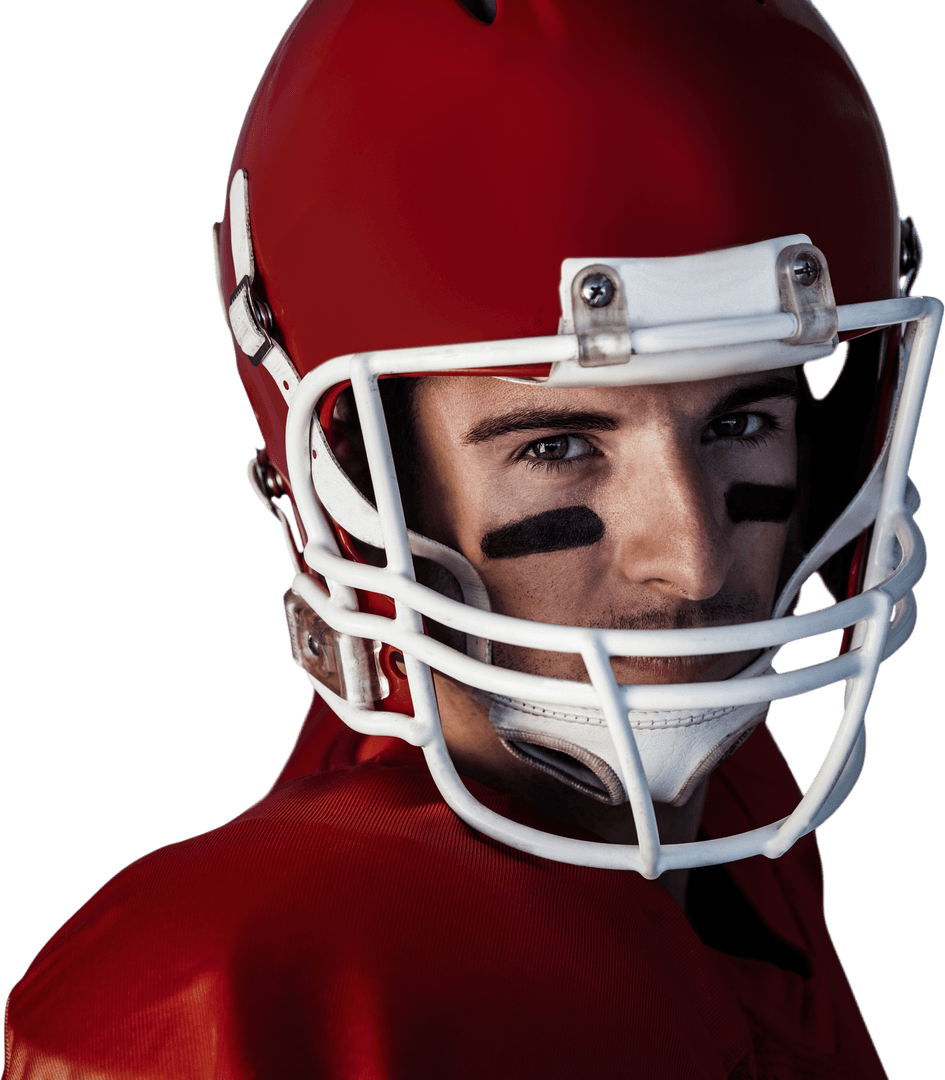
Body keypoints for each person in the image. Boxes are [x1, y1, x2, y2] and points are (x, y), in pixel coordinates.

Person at [3, 1, 940, 1077]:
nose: (691, 559)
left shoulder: (738, 842)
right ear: (363, 470)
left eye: (740, 422)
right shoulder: (239, 996)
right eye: (557, 445)